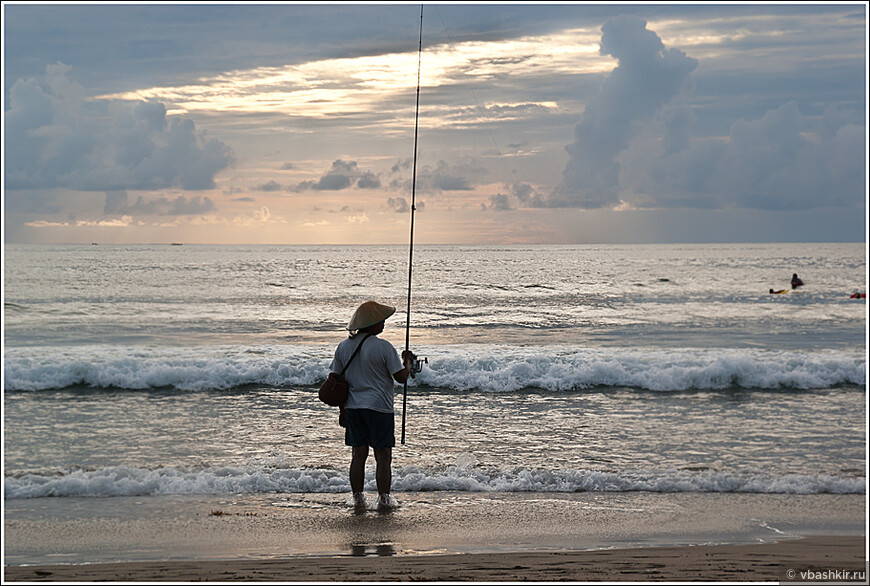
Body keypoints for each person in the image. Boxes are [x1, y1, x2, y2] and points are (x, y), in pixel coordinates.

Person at [330, 300, 415, 512]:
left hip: (353, 408)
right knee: (383, 456)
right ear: (372, 324)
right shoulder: (383, 347)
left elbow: (336, 379)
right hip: (379, 408)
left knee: (358, 456)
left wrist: (343, 410)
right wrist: (408, 363)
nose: (384, 324)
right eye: (381, 321)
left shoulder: (343, 347)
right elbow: (401, 378)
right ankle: (384, 499)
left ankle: (358, 499)